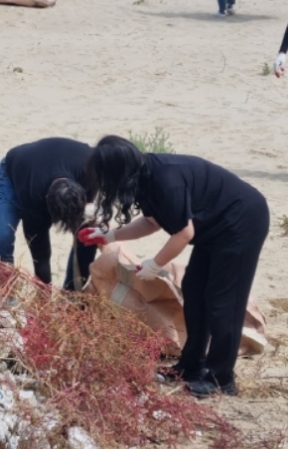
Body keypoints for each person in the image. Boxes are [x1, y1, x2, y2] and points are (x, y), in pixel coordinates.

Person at [79, 136, 269, 398]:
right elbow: (151, 222)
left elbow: (183, 233)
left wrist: (154, 266)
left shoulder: (165, 181)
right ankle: (191, 366)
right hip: (214, 229)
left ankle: (221, 378)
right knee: (193, 288)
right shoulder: (143, 178)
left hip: (242, 221)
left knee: (223, 300)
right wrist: (110, 237)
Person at [0, 138, 98, 290]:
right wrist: (44, 294)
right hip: (13, 172)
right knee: (2, 237)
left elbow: (88, 233)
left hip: (56, 161)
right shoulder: (33, 196)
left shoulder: (90, 170)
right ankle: (3, 293)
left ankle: (71, 293)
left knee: (87, 234)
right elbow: (39, 252)